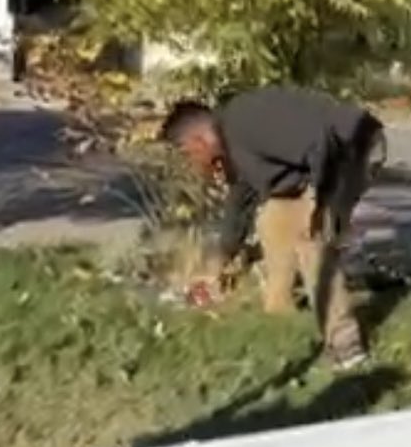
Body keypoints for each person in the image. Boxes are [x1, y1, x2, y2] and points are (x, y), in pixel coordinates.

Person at [159, 86, 386, 369]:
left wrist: (320, 206)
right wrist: (222, 258)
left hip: (349, 150)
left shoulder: (245, 122)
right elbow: (239, 203)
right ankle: (279, 314)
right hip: (318, 164)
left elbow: (320, 142)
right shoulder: (235, 147)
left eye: (187, 154)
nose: (192, 164)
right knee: (272, 221)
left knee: (311, 239)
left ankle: (346, 344)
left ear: (198, 141)